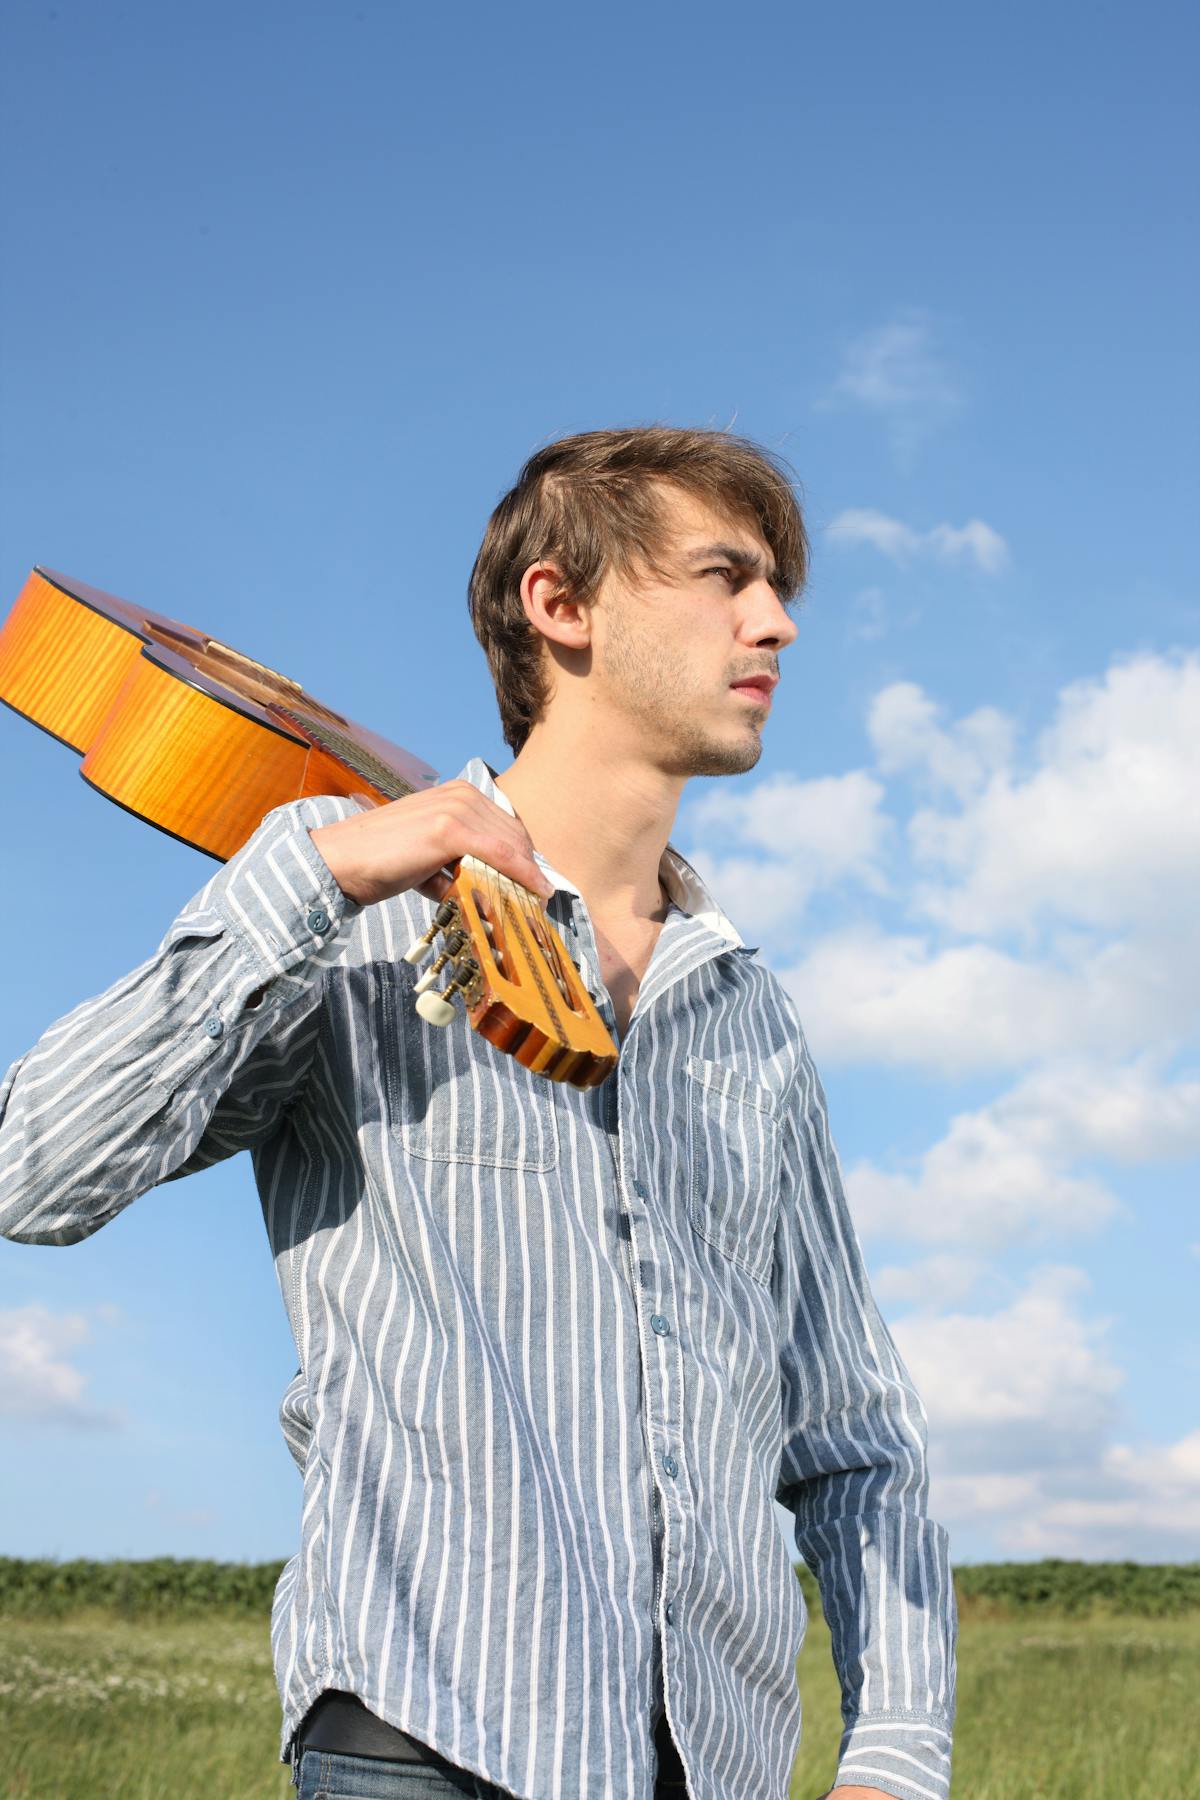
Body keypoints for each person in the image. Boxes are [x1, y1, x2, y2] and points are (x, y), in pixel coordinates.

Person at [0, 427, 956, 1800]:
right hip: (428, 1742)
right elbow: (31, 1172)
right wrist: (321, 870)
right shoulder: (354, 912)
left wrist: (898, 1752)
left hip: (715, 1763)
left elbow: (854, 1431)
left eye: (778, 585)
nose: (778, 623)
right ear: (560, 606)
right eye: (724, 576)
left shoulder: (751, 1014)